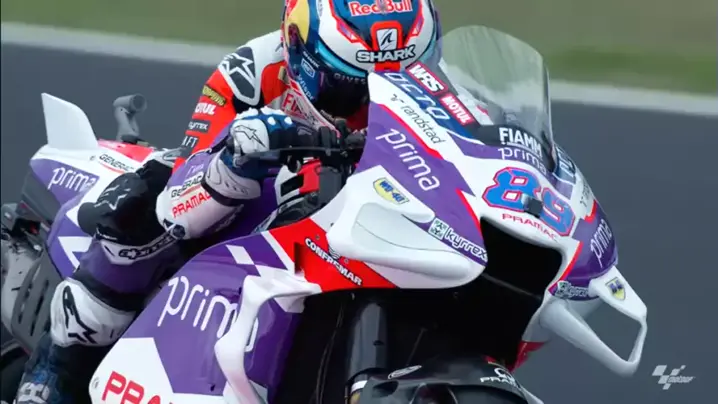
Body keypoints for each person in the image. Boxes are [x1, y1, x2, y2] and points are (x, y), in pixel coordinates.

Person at [15, 1, 442, 403]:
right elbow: (179, 196)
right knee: (140, 207)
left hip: (382, 194)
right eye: (353, 90)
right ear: (300, 54)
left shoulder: (443, 89)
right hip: (257, 192)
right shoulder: (251, 71)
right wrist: (236, 161)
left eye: (403, 82)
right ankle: (53, 373)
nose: (374, 107)